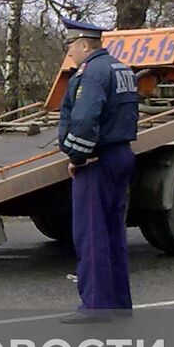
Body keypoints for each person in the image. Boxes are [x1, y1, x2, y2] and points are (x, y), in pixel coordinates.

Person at [57, 17, 139, 323]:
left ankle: (95, 305)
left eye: (70, 46)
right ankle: (118, 302)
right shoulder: (121, 69)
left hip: (97, 161)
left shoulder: (91, 74)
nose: (70, 52)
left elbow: (84, 118)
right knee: (113, 233)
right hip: (120, 154)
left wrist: (77, 156)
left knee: (91, 234)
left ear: (83, 44)